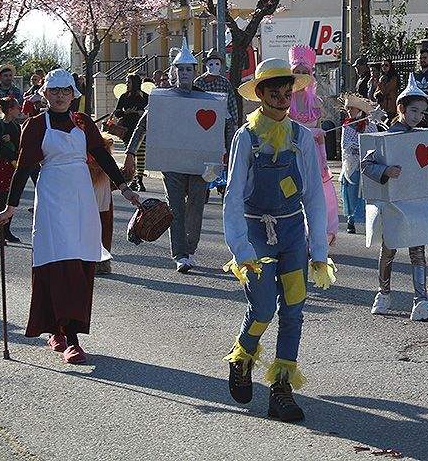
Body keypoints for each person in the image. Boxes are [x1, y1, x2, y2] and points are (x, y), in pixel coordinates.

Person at [0, 69, 140, 365]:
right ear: (45, 94)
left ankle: (62, 329)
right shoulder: (35, 125)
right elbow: (23, 167)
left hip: (82, 199)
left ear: (74, 95)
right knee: (57, 263)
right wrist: (11, 207)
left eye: (65, 91)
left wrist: (124, 188)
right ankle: (69, 338)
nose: (60, 96)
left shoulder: (83, 122)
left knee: (81, 263)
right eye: (54, 91)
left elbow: (102, 155)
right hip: (52, 199)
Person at [222, 57, 332, 423]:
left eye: (287, 90)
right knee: (264, 308)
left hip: (292, 234)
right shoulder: (246, 136)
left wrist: (318, 248)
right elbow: (233, 196)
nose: (283, 96)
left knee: (294, 309)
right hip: (256, 234)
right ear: (260, 93)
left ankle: (281, 390)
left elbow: (314, 195)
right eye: (275, 91)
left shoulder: (301, 137)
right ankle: (242, 357)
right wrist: (241, 248)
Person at [124, 42, 217, 273]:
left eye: (188, 69)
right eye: (180, 69)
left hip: (199, 164)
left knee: (195, 207)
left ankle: (190, 249)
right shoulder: (162, 98)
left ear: (194, 71)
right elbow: (142, 126)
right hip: (172, 163)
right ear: (174, 71)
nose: (184, 73)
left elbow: (222, 127)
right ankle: (180, 254)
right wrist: (130, 152)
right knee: (175, 208)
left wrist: (222, 155)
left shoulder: (206, 100)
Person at [362, 77, 428, 322]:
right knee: (389, 249)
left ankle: (421, 302)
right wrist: (385, 171)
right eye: (414, 110)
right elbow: (367, 164)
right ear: (401, 108)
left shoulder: (422, 136)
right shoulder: (387, 136)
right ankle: (383, 294)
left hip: (415, 202)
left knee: (418, 251)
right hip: (393, 204)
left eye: (422, 112)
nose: (418, 116)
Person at [288, 45, 339, 245]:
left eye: (305, 72)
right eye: (297, 72)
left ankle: (317, 235)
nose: (301, 76)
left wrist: (324, 159)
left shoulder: (316, 102)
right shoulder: (285, 100)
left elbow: (319, 134)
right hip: (292, 154)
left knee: (317, 196)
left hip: (314, 156)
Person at [195, 49, 238, 197]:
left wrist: (234, 121)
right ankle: (204, 186)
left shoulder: (224, 82)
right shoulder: (198, 82)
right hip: (202, 125)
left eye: (217, 63)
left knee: (225, 153)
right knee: (205, 154)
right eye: (211, 63)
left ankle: (222, 184)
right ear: (206, 65)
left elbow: (232, 102)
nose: (214, 66)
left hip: (223, 122)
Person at [339, 93, 378, 234]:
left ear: (360, 110)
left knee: (366, 193)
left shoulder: (370, 125)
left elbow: (374, 142)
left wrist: (364, 148)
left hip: (367, 163)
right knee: (351, 191)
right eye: (348, 108)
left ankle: (368, 220)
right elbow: (345, 145)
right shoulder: (347, 126)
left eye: (352, 108)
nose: (349, 111)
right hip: (352, 165)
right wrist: (356, 147)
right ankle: (351, 219)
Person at [0, 96, 23, 245]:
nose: (19, 109)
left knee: (11, 198)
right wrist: (10, 153)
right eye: (17, 107)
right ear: (10, 110)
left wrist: (13, 140)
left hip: (12, 164)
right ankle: (0, 233)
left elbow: (19, 142)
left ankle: (7, 231)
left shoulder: (16, 126)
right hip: (0, 163)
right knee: (2, 198)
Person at [114, 74, 149, 192]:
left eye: (129, 82)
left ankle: (139, 179)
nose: (127, 85)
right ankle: (133, 179)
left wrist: (141, 112)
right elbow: (117, 112)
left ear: (135, 83)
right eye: (126, 82)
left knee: (141, 154)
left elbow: (151, 111)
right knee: (131, 155)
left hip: (141, 129)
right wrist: (125, 112)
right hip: (127, 129)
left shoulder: (145, 96)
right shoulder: (124, 96)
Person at [89, 134, 116, 275]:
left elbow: (115, 177)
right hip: (90, 199)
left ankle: (103, 261)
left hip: (103, 200)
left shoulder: (105, 166)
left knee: (104, 228)